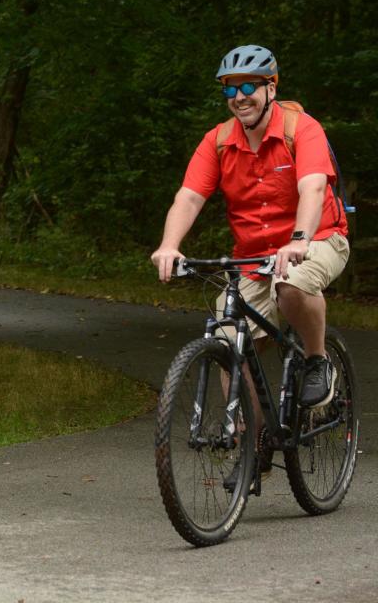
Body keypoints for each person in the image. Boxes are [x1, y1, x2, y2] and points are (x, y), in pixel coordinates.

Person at [150, 45, 350, 484]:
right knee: (227, 339)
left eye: (248, 87)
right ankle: (254, 441)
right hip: (254, 257)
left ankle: (317, 361)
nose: (239, 97)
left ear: (270, 88)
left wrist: (299, 240)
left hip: (317, 238)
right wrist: (170, 245)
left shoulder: (303, 129)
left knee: (292, 286)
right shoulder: (219, 141)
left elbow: (314, 189)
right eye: (230, 89)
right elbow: (189, 196)